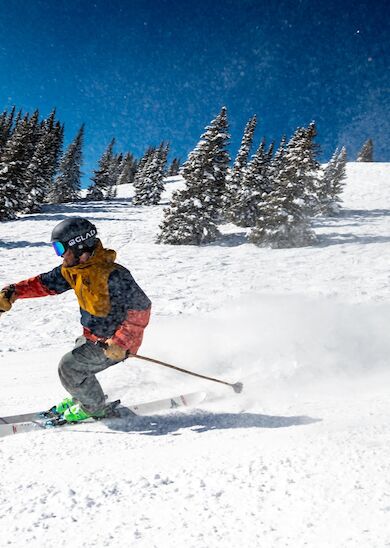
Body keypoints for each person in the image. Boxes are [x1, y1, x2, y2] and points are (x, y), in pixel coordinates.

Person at [0, 217, 151, 422]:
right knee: (77, 362)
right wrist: (14, 292)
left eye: (61, 248)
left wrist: (121, 342)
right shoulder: (74, 271)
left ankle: (95, 408)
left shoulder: (113, 275)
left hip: (115, 343)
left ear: (79, 247)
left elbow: (141, 308)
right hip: (92, 337)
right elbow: (44, 284)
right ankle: (83, 396)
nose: (60, 255)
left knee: (69, 367)